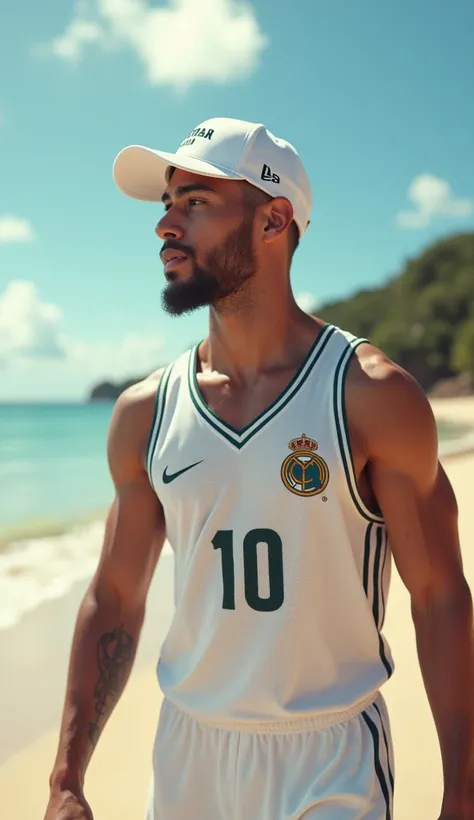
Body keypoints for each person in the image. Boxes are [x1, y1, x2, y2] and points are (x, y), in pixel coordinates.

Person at [44, 117, 474, 820]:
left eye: (196, 203)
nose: (166, 226)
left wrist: (462, 791)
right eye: (167, 205)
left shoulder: (369, 396)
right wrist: (67, 778)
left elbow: (439, 596)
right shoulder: (146, 413)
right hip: (188, 757)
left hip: (329, 758)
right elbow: (116, 597)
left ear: (274, 220)